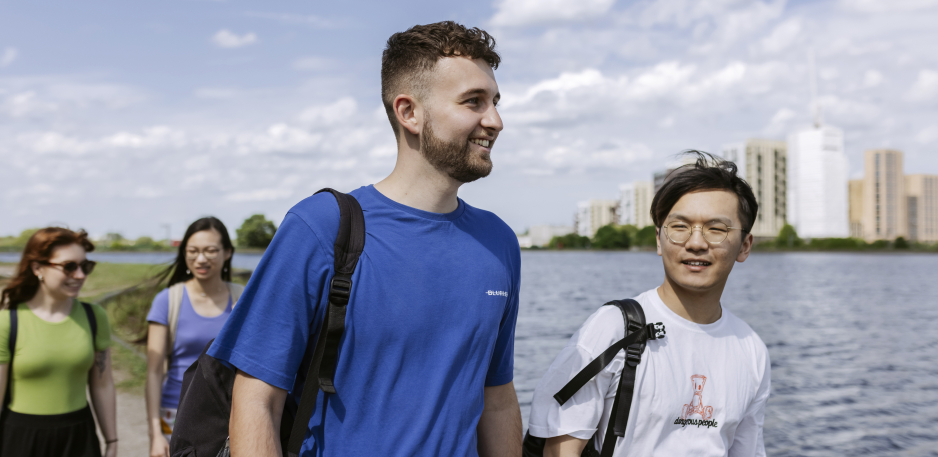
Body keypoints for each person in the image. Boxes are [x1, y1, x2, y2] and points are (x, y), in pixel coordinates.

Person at [207, 21, 521, 456]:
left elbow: (497, 398)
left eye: (495, 102)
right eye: (474, 102)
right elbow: (257, 399)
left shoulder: (498, 242)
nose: (496, 121)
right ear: (408, 112)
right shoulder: (320, 227)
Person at [528, 152, 771, 456]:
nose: (696, 242)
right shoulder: (615, 327)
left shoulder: (751, 349)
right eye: (680, 226)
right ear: (659, 240)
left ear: (745, 246)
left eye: (716, 229)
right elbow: (559, 450)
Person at [0, 227, 117, 457]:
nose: (80, 275)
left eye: (85, 266)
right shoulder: (7, 322)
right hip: (21, 439)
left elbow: (102, 384)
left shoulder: (94, 317)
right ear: (37, 268)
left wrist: (111, 440)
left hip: (79, 437)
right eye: (69, 266)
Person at [145, 217, 242, 457]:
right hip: (175, 412)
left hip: (226, 413)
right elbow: (154, 371)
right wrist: (155, 434)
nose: (201, 259)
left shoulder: (242, 298)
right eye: (193, 251)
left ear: (227, 252)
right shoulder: (168, 300)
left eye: (210, 251)